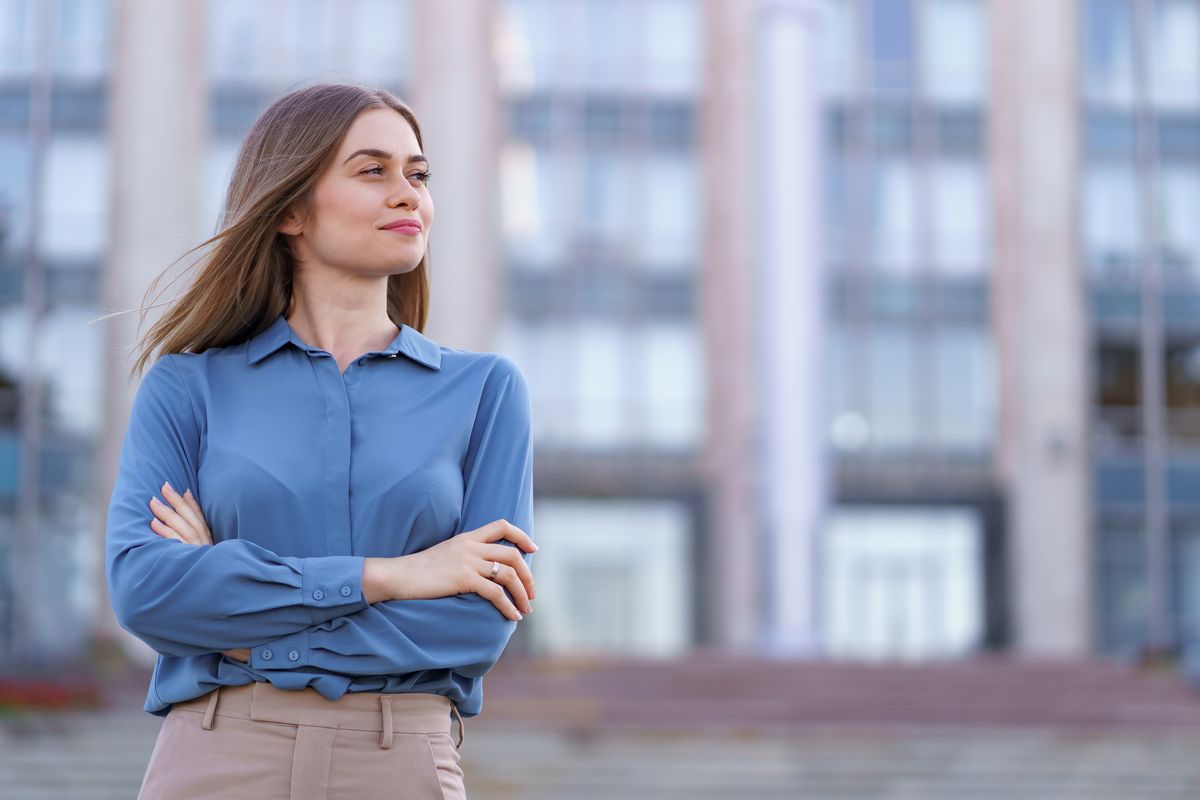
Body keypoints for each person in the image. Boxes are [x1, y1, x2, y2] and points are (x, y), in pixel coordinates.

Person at [104, 82, 538, 800]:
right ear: (290, 209)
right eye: (374, 171)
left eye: (418, 174)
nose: (409, 194)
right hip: (216, 758)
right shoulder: (189, 388)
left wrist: (241, 626)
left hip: (401, 762)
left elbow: (473, 622)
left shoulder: (486, 392)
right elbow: (147, 590)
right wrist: (395, 575)